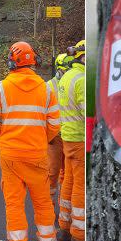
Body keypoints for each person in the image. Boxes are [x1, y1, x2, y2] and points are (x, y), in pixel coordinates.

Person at [0, 42, 61, 241]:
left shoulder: (0, 88)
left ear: (11, 62)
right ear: (34, 61)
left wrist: (6, 139)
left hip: (10, 156)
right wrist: (38, 139)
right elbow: (54, 125)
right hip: (37, 154)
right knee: (43, 203)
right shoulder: (46, 89)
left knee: (14, 205)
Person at [57, 40, 85, 241]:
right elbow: (88, 114)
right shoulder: (82, 80)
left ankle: (64, 227)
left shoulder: (66, 77)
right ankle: (80, 236)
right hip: (81, 139)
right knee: (80, 186)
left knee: (69, 180)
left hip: (67, 137)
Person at [47, 52, 72, 198]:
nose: (66, 73)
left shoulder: (71, 83)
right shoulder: (48, 87)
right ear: (58, 69)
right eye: (64, 70)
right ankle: (49, 208)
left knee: (66, 174)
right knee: (52, 172)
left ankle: (64, 210)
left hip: (68, 135)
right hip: (55, 136)